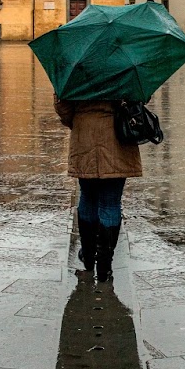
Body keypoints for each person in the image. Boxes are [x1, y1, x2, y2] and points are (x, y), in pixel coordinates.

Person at [53, 94, 142, 281]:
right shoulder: (123, 66)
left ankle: (88, 257)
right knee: (111, 202)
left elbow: (63, 106)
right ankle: (104, 266)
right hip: (117, 136)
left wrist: (81, 120)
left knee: (88, 195)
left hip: (84, 135)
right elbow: (141, 97)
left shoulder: (77, 68)